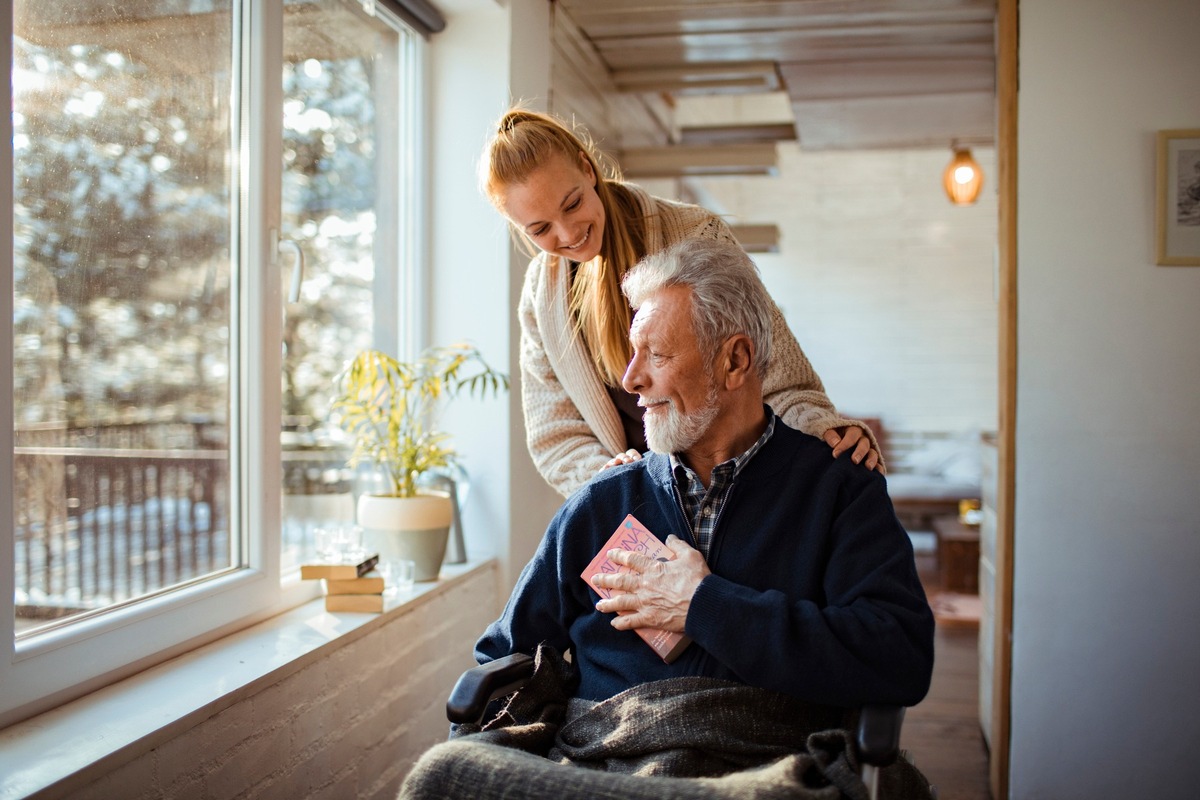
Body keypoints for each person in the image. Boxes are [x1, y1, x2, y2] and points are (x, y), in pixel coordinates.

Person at [397, 239, 933, 800]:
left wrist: (703, 605)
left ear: (734, 361)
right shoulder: (604, 501)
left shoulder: (839, 490)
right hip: (601, 762)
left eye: (656, 354)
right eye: (632, 353)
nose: (630, 380)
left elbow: (899, 658)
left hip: (761, 766)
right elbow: (504, 652)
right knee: (443, 773)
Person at [482, 108, 883, 497]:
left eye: (572, 204)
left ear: (588, 169)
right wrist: (606, 481)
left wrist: (823, 428)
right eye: (540, 229)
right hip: (634, 505)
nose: (568, 232)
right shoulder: (541, 295)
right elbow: (556, 434)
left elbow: (774, 369)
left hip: (735, 485)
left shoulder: (696, 233)